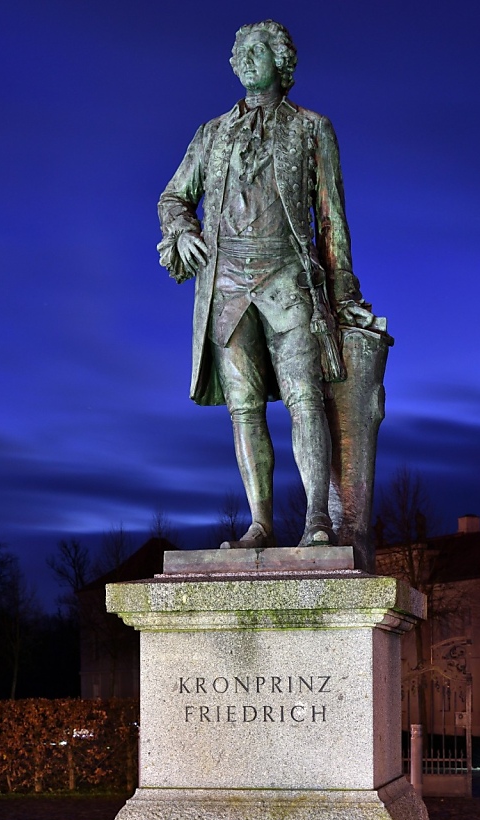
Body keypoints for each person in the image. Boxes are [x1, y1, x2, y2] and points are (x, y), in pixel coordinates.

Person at [158, 20, 375, 548]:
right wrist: (183, 230)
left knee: (306, 398)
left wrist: (343, 291)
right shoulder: (211, 134)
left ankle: (318, 522)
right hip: (226, 286)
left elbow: (331, 217)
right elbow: (172, 198)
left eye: (257, 51)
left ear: (282, 61)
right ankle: (259, 523)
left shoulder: (311, 128)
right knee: (244, 408)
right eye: (240, 53)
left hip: (288, 278)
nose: (246, 60)